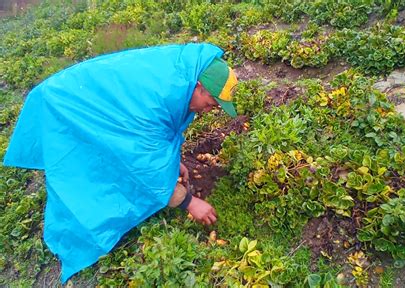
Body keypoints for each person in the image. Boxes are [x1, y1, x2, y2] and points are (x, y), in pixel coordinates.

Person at [3, 43, 238, 282]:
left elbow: (158, 135)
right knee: (81, 165)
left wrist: (173, 161)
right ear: (198, 86)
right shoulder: (157, 101)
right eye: (211, 103)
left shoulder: (183, 78)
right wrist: (189, 202)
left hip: (94, 93)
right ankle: (73, 233)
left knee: (110, 153)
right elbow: (145, 165)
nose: (210, 110)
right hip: (68, 103)